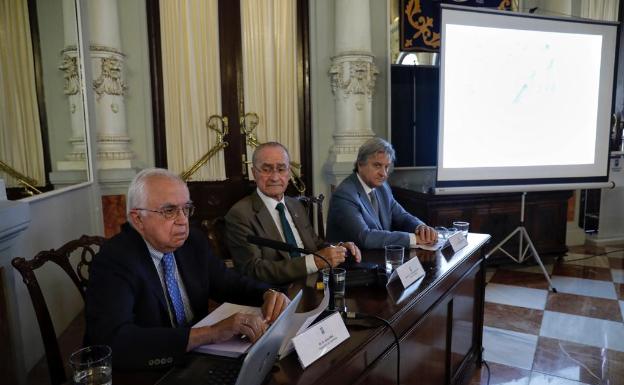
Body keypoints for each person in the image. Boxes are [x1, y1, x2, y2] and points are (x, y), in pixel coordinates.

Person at [85, 168, 289, 369]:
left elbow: (227, 282)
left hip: (198, 359)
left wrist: (267, 294)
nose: (183, 220)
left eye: (186, 209)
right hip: (145, 370)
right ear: (138, 219)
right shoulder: (115, 260)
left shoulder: (193, 241)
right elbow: (115, 340)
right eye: (169, 211)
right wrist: (211, 333)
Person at [225, 142, 361, 285]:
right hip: (278, 293)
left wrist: (338, 249)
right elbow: (254, 270)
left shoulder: (295, 205)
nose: (275, 177)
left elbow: (315, 244)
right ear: (254, 173)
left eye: (281, 169)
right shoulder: (240, 214)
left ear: (289, 173)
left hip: (315, 282)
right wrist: (313, 262)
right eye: (266, 169)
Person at [326, 137, 438, 249]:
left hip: (378, 258)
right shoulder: (345, 194)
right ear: (360, 164)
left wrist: (421, 227)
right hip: (350, 263)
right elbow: (365, 237)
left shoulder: (382, 187)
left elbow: (402, 217)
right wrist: (413, 239)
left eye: (386, 167)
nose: (383, 174)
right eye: (377, 165)